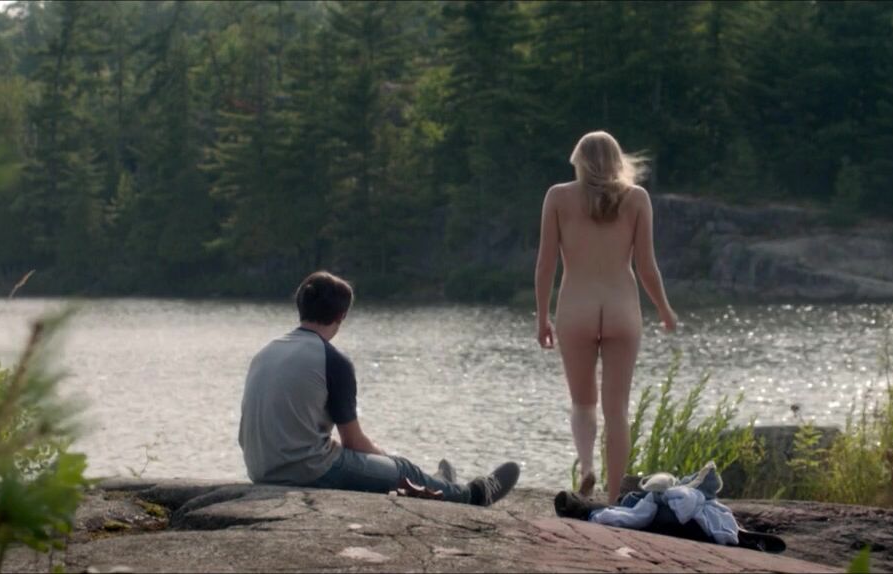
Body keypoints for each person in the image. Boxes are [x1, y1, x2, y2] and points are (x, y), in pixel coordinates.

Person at [239, 271, 520, 506]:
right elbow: (353, 442)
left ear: (300, 307)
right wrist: (388, 462)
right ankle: (473, 495)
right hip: (306, 471)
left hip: (259, 468)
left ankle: (439, 484)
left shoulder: (266, 352)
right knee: (402, 469)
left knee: (379, 466)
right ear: (342, 315)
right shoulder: (332, 360)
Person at [534, 131, 678, 504]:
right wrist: (664, 309)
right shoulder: (638, 199)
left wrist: (542, 317)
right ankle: (614, 500)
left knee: (583, 402)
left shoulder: (557, 197)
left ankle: (587, 468)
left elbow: (546, 264)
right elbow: (646, 266)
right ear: (617, 161)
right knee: (617, 411)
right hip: (621, 310)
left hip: (576, 310)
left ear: (580, 162)